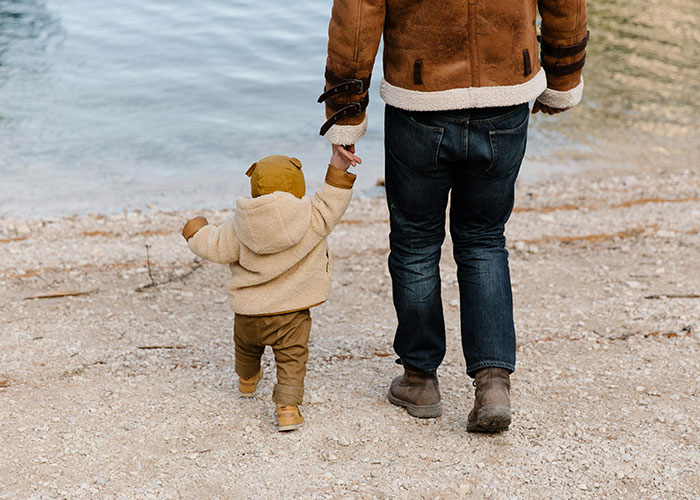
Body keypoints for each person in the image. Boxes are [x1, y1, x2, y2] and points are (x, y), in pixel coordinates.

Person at [319, 0, 588, 432]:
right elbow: (565, 5)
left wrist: (346, 115)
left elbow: (357, 17)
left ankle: (420, 379)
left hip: (419, 102)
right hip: (506, 94)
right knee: (484, 239)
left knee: (415, 243)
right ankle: (493, 382)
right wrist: (562, 79)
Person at [181, 152, 357, 431]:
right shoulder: (314, 214)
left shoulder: (239, 225)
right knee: (291, 360)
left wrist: (194, 228)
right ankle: (287, 409)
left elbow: (212, 245)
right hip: (291, 315)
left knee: (246, 350)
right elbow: (335, 199)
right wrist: (338, 167)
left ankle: (247, 380)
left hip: (248, 313)